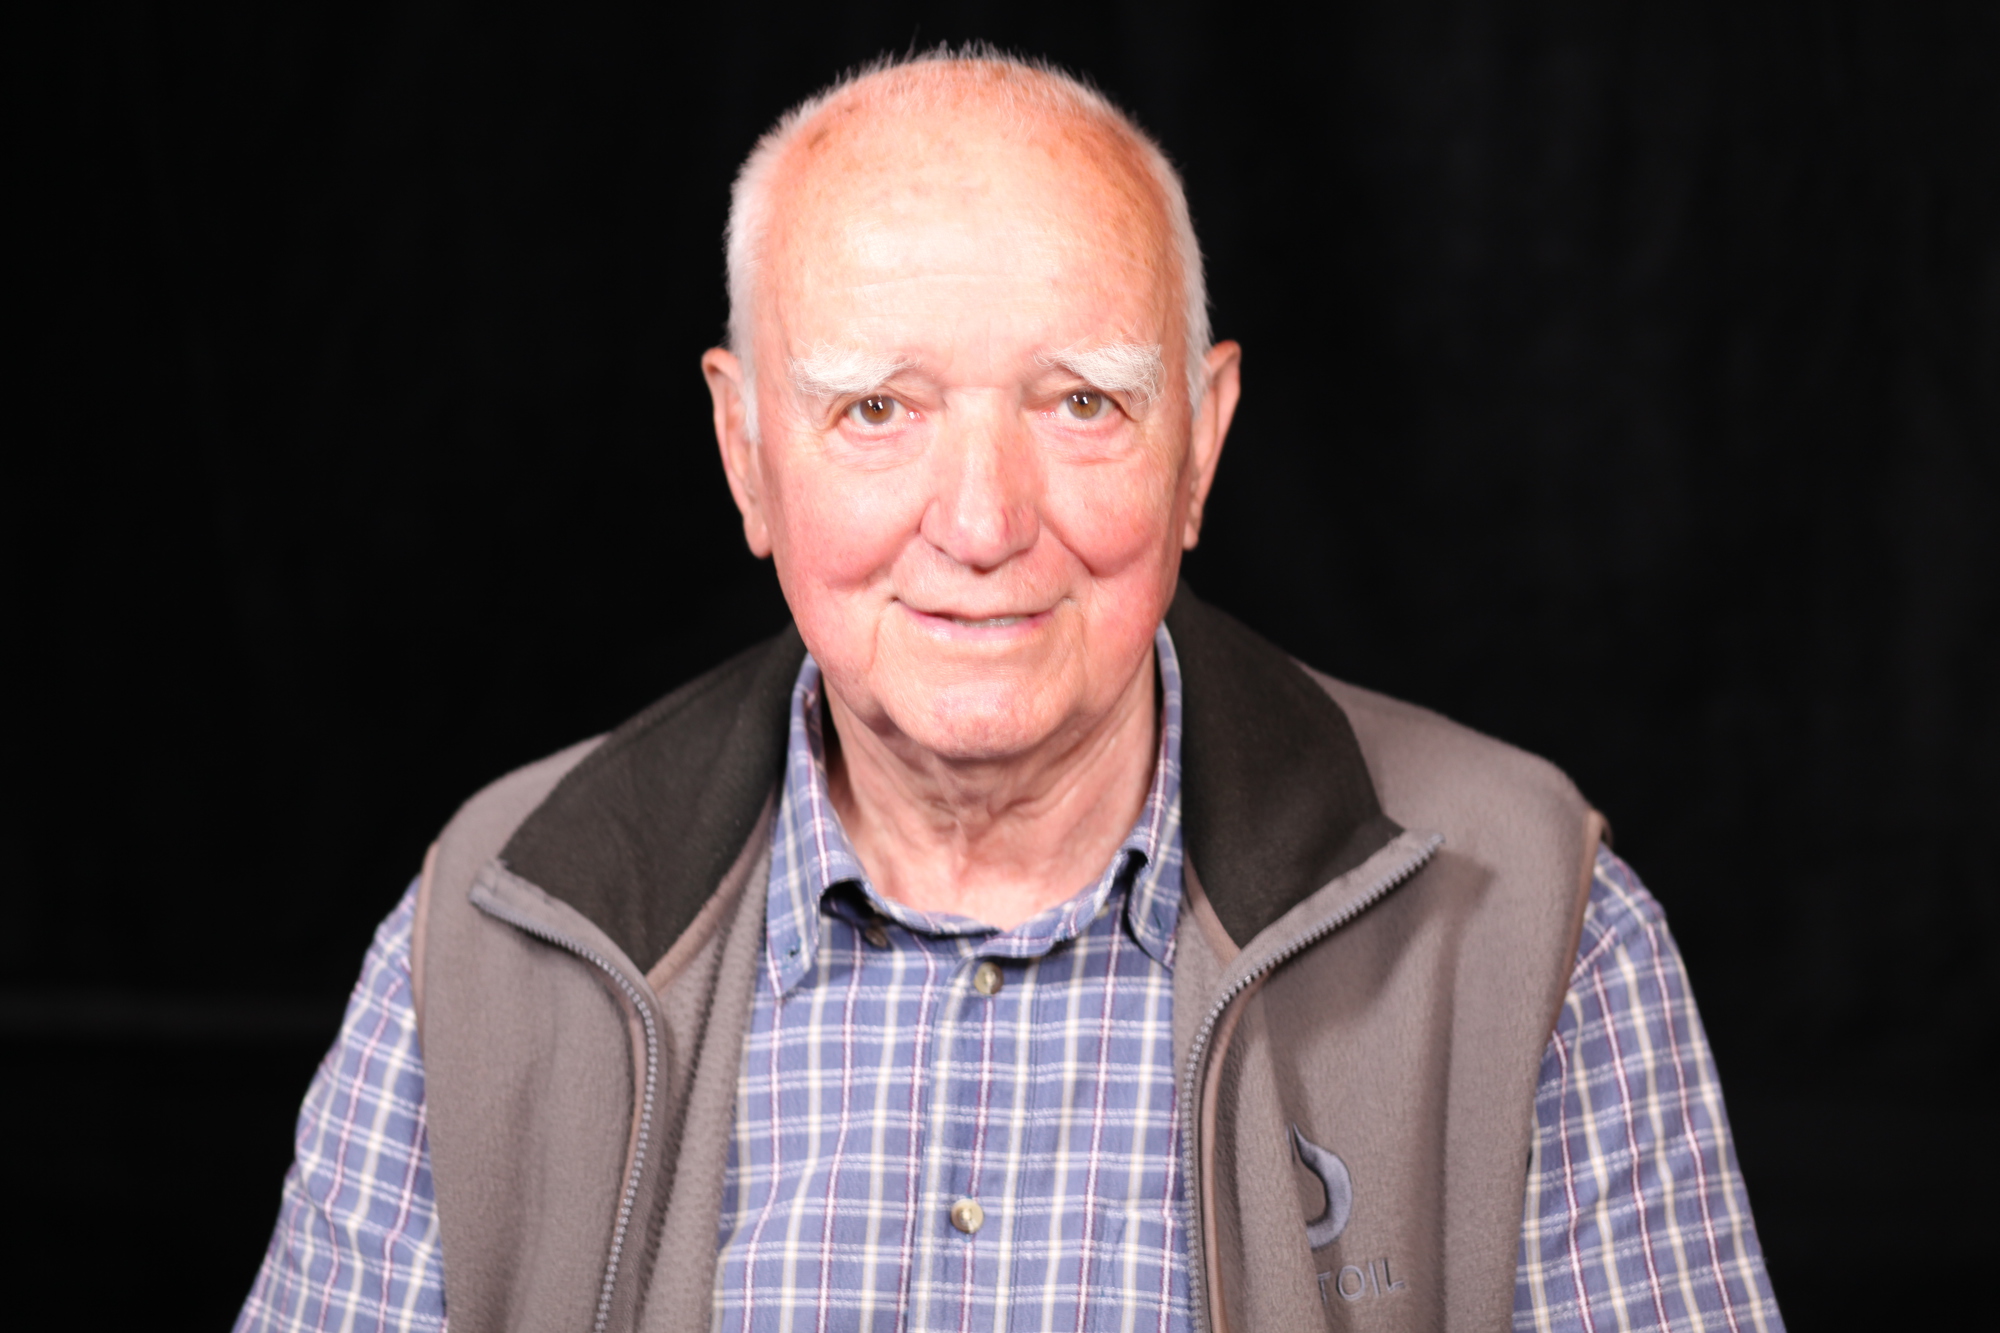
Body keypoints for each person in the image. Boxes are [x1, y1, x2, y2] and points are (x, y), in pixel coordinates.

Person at [238, 49, 1783, 1333]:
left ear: (1201, 442)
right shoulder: (498, 933)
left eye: (1083, 400)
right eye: (876, 409)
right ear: (746, 453)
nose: (981, 522)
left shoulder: (1530, 928)